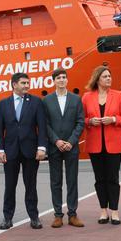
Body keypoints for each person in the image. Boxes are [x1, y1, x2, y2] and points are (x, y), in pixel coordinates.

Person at [0, 72, 48, 229]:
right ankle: (7, 218)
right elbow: (0, 129)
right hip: (10, 151)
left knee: (31, 185)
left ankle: (34, 217)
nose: (27, 85)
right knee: (9, 186)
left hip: (31, 151)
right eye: (23, 83)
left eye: (27, 83)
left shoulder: (36, 102)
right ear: (14, 85)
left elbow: (42, 127)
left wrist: (41, 148)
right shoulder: (4, 104)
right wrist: (0, 150)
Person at [82, 65, 121, 225]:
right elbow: (80, 120)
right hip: (95, 144)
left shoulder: (118, 95)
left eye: (109, 76)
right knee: (99, 179)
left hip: (114, 144)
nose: (109, 78)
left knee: (113, 178)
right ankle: (103, 210)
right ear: (97, 79)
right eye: (105, 76)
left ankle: (115, 211)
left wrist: (114, 119)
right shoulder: (87, 97)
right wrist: (90, 121)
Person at [43, 68, 85, 228]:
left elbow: (80, 122)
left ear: (67, 80)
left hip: (71, 147)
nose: (61, 80)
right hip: (55, 147)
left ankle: (72, 214)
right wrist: (56, 141)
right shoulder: (46, 100)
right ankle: (58, 215)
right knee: (56, 181)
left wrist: (71, 141)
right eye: (58, 78)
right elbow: (45, 124)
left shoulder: (76, 99)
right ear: (53, 81)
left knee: (72, 180)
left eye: (64, 77)